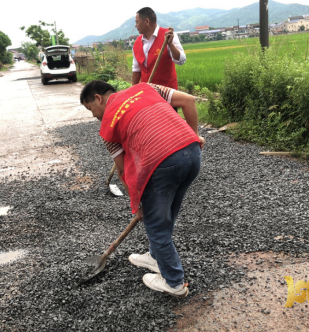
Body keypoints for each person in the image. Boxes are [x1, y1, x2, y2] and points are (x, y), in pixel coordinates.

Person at [80, 80, 205, 298]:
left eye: (90, 108)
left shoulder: (107, 127)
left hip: (163, 163)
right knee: (167, 210)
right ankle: (156, 257)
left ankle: (173, 282)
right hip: (192, 155)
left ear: (99, 98)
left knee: (155, 225)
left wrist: (138, 205)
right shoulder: (147, 87)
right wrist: (194, 136)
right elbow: (189, 101)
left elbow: (123, 172)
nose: (93, 115)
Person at [132, 7, 186, 90]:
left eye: (137, 22)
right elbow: (136, 69)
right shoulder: (137, 43)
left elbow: (181, 60)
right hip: (147, 92)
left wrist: (170, 45)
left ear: (147, 21)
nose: (136, 26)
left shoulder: (168, 36)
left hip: (167, 93)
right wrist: (133, 91)